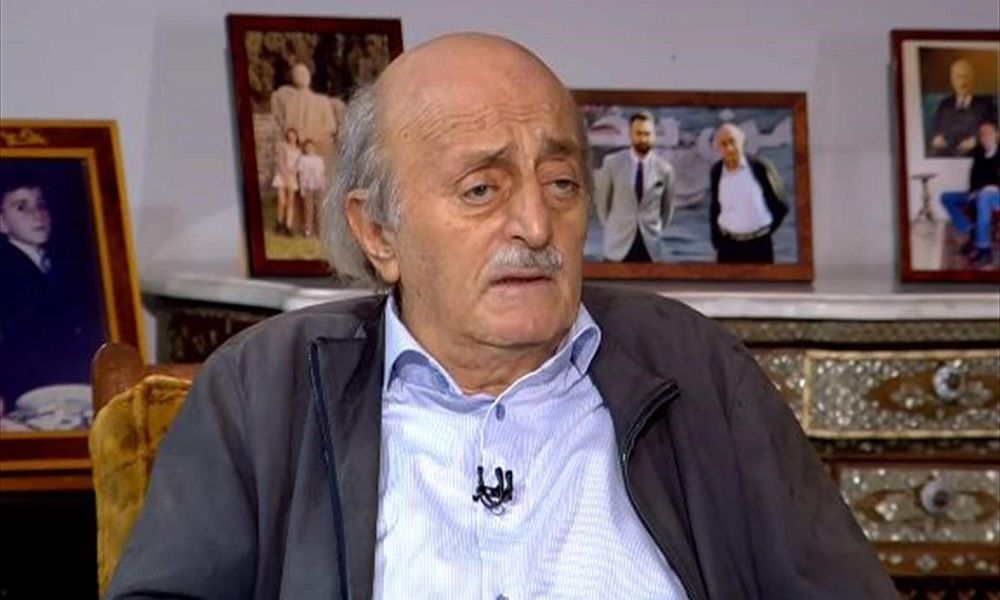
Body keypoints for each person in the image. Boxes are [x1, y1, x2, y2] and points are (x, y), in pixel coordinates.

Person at [107, 33, 896, 599]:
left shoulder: (696, 370)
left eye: (561, 184)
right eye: (481, 190)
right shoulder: (260, 390)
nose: (536, 224)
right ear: (378, 232)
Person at [0, 172, 103, 415]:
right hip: (28, 391)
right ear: (2, 223)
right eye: (22, 207)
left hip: (67, 386)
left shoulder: (62, 263)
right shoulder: (6, 270)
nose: (38, 215)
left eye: (41, 204)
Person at [593, 111, 675, 262]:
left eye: (647, 134)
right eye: (639, 133)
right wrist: (615, 228)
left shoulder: (665, 169)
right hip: (617, 247)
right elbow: (603, 204)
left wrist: (653, 228)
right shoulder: (612, 163)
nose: (643, 139)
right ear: (630, 134)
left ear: (654, 135)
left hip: (651, 248)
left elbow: (667, 209)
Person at [709, 123, 788, 264]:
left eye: (732, 142)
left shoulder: (760, 167)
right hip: (728, 247)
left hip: (759, 246)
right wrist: (716, 242)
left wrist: (765, 232)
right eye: (723, 144)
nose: (729, 148)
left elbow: (781, 206)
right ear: (718, 147)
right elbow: (715, 207)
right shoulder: (717, 171)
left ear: (742, 142)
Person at [941, 119, 1000, 267]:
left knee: (984, 197)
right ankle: (972, 229)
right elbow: (974, 178)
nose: (985, 137)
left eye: (989, 133)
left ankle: (984, 249)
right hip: (979, 192)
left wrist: (994, 187)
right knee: (947, 197)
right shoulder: (979, 153)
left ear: (997, 134)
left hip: (996, 195)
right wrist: (973, 192)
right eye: (982, 134)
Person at [270, 62, 338, 172]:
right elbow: (287, 129)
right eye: (298, 74)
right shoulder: (289, 104)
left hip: (319, 151)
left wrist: (310, 139)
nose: (302, 76)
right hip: (297, 154)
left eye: (303, 73)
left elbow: (330, 127)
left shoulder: (322, 101)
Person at [927, 58, 999, 157]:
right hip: (946, 155)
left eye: (966, 77)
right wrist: (936, 138)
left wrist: (977, 140)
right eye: (958, 77)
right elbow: (933, 131)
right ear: (952, 80)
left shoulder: (986, 104)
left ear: (973, 79)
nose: (963, 81)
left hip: (975, 155)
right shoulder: (945, 104)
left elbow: (996, 130)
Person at [271, 127, 301, 235]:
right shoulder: (284, 147)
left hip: (292, 176)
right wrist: (285, 175)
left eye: (293, 135)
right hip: (282, 175)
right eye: (289, 135)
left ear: (296, 136)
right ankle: (279, 222)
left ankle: (288, 226)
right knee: (282, 201)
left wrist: (294, 172)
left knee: (290, 202)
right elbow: (280, 161)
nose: (292, 137)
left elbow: (298, 164)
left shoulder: (299, 150)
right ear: (287, 137)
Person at [297, 139, 326, 237]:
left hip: (318, 186)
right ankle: (308, 230)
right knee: (308, 209)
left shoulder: (319, 159)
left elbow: (322, 174)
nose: (309, 148)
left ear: (314, 147)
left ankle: (320, 230)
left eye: (311, 146)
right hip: (307, 186)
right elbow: (301, 174)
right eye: (307, 147)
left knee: (319, 208)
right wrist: (302, 188)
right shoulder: (302, 159)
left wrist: (323, 185)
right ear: (305, 148)